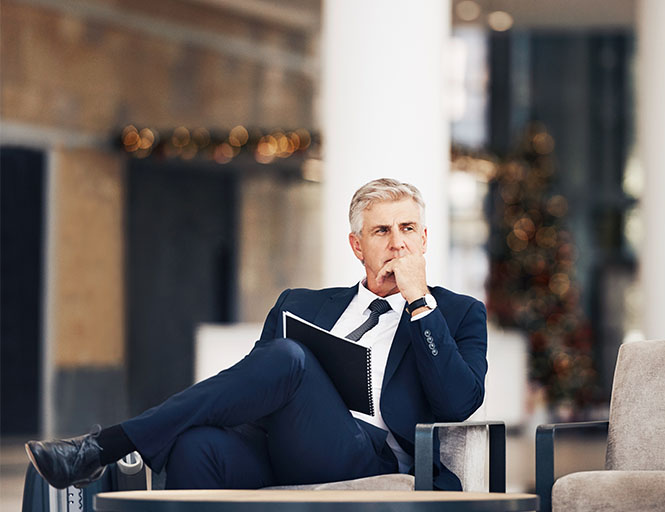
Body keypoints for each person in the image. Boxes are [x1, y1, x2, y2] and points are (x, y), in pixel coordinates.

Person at [26, 178, 488, 491]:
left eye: (408, 229)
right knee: (196, 446)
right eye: (382, 231)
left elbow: (457, 402)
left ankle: (103, 447)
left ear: (424, 240)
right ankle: (115, 447)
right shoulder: (301, 303)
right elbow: (252, 387)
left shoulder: (458, 313)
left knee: (290, 357)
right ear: (357, 245)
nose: (397, 243)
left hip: (367, 455)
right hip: (281, 444)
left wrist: (419, 303)